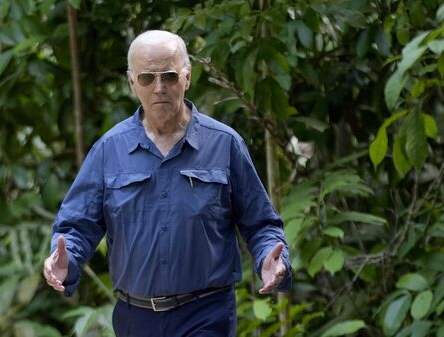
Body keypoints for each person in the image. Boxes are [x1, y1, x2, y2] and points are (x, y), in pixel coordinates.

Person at [43, 30, 291, 337]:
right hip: (136, 318)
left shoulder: (224, 144)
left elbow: (261, 224)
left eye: (170, 76)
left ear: (187, 77)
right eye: (147, 78)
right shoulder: (109, 149)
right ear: (133, 83)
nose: (159, 88)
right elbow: (77, 227)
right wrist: (64, 261)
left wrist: (270, 257)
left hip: (206, 313)